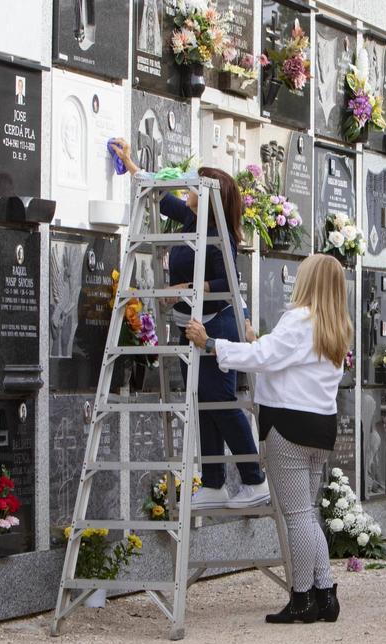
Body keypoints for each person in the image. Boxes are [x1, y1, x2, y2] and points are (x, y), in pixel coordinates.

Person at [185, 254, 352, 624]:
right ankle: (325, 594)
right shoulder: (337, 325)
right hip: (321, 427)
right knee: (307, 512)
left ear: (309, 282)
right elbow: (288, 359)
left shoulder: (299, 318)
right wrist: (255, 339)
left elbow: (264, 357)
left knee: (297, 516)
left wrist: (210, 343)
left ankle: (302, 598)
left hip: (288, 427)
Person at [110, 138, 269, 510]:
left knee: (221, 402)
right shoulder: (193, 220)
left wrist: (185, 288)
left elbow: (228, 281)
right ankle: (213, 483)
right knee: (202, 404)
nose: (189, 190)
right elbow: (161, 197)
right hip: (190, 324)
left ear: (211, 195)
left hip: (217, 324)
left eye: (196, 186)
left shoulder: (219, 234)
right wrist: (130, 164)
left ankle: (254, 479)